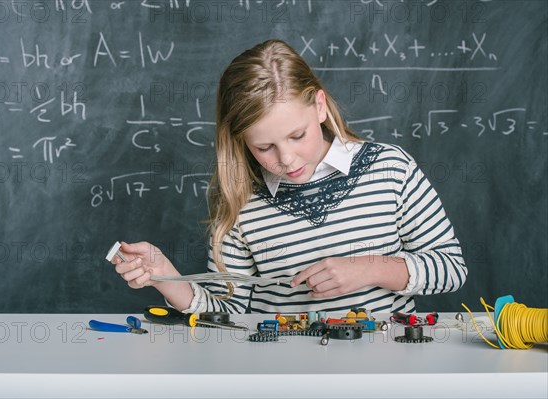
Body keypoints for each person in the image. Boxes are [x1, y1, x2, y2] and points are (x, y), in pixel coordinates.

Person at [111, 39, 467, 314]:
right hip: (281, 376)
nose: (287, 158)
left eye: (297, 136)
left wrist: (370, 268)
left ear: (320, 107)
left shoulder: (391, 168)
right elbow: (229, 309)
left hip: (385, 374)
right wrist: (165, 276)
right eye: (264, 147)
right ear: (241, 142)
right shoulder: (241, 202)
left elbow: (451, 268)